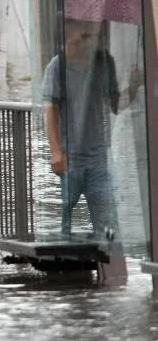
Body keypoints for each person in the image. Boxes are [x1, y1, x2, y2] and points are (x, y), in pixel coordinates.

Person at [43, 19, 120, 237]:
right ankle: (62, 259)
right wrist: (56, 151)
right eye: (85, 36)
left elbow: (115, 105)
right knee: (65, 216)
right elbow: (49, 110)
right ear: (69, 36)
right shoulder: (57, 67)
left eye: (94, 36)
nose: (91, 42)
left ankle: (107, 261)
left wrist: (132, 85)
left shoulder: (104, 63)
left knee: (107, 220)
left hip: (98, 156)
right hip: (71, 156)